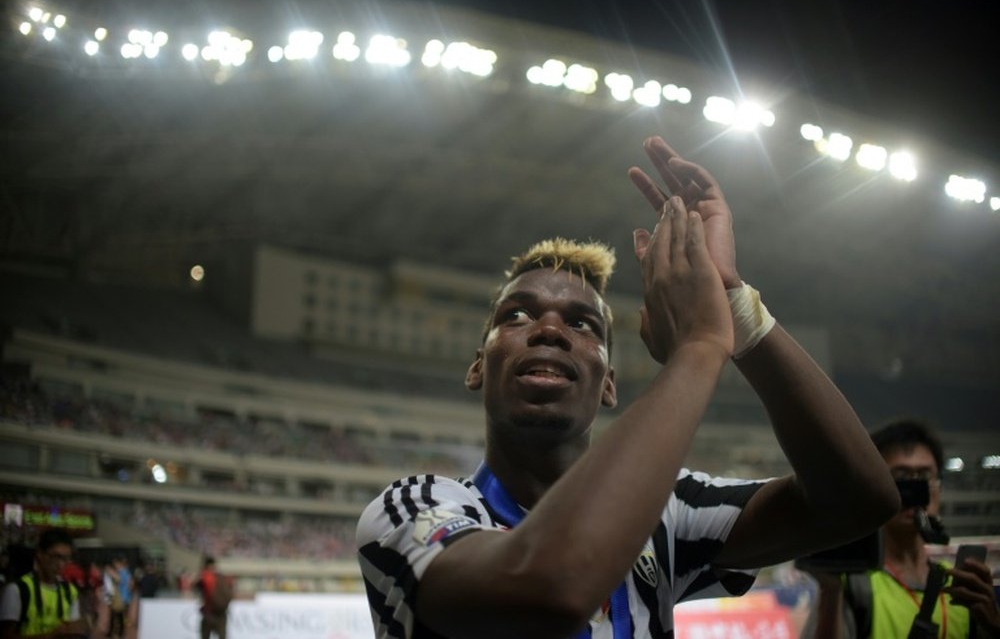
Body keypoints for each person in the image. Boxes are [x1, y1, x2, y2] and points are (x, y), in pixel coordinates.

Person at [355, 135, 901, 638]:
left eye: (582, 323)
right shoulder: (412, 507)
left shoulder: (670, 512)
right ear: (478, 367)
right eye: (518, 315)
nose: (549, 329)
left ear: (609, 384)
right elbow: (551, 585)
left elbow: (860, 498)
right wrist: (701, 346)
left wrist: (737, 306)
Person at [802, 419, 1000, 638]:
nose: (916, 490)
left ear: (939, 488)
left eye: (925, 477)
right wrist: (830, 594)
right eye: (901, 478)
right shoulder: (851, 584)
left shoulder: (961, 586)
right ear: (874, 487)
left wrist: (992, 624)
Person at [0, 528, 87, 638]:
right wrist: (51, 636)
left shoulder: (69, 591)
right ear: (40, 554)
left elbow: (73, 631)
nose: (61, 565)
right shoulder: (18, 590)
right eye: (56, 557)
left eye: (66, 559)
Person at [196, 556, 227, 639]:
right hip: (221, 612)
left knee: (205, 635)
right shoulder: (221, 577)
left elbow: (199, 589)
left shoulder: (205, 577)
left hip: (209, 612)